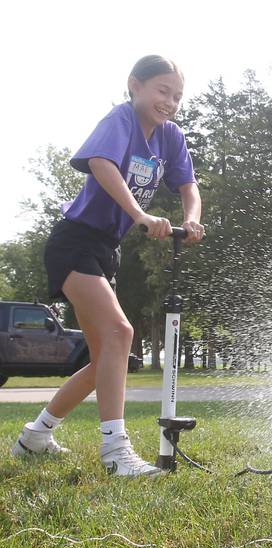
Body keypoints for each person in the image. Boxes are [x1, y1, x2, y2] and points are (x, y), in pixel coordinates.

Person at [10, 55, 205, 477]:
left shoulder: (171, 137)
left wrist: (192, 218)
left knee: (104, 359)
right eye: (161, 91)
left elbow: (189, 185)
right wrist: (140, 215)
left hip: (105, 249)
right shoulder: (121, 119)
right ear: (135, 85)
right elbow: (101, 165)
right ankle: (116, 452)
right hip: (75, 241)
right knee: (121, 333)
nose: (169, 102)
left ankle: (34, 437)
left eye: (177, 96)